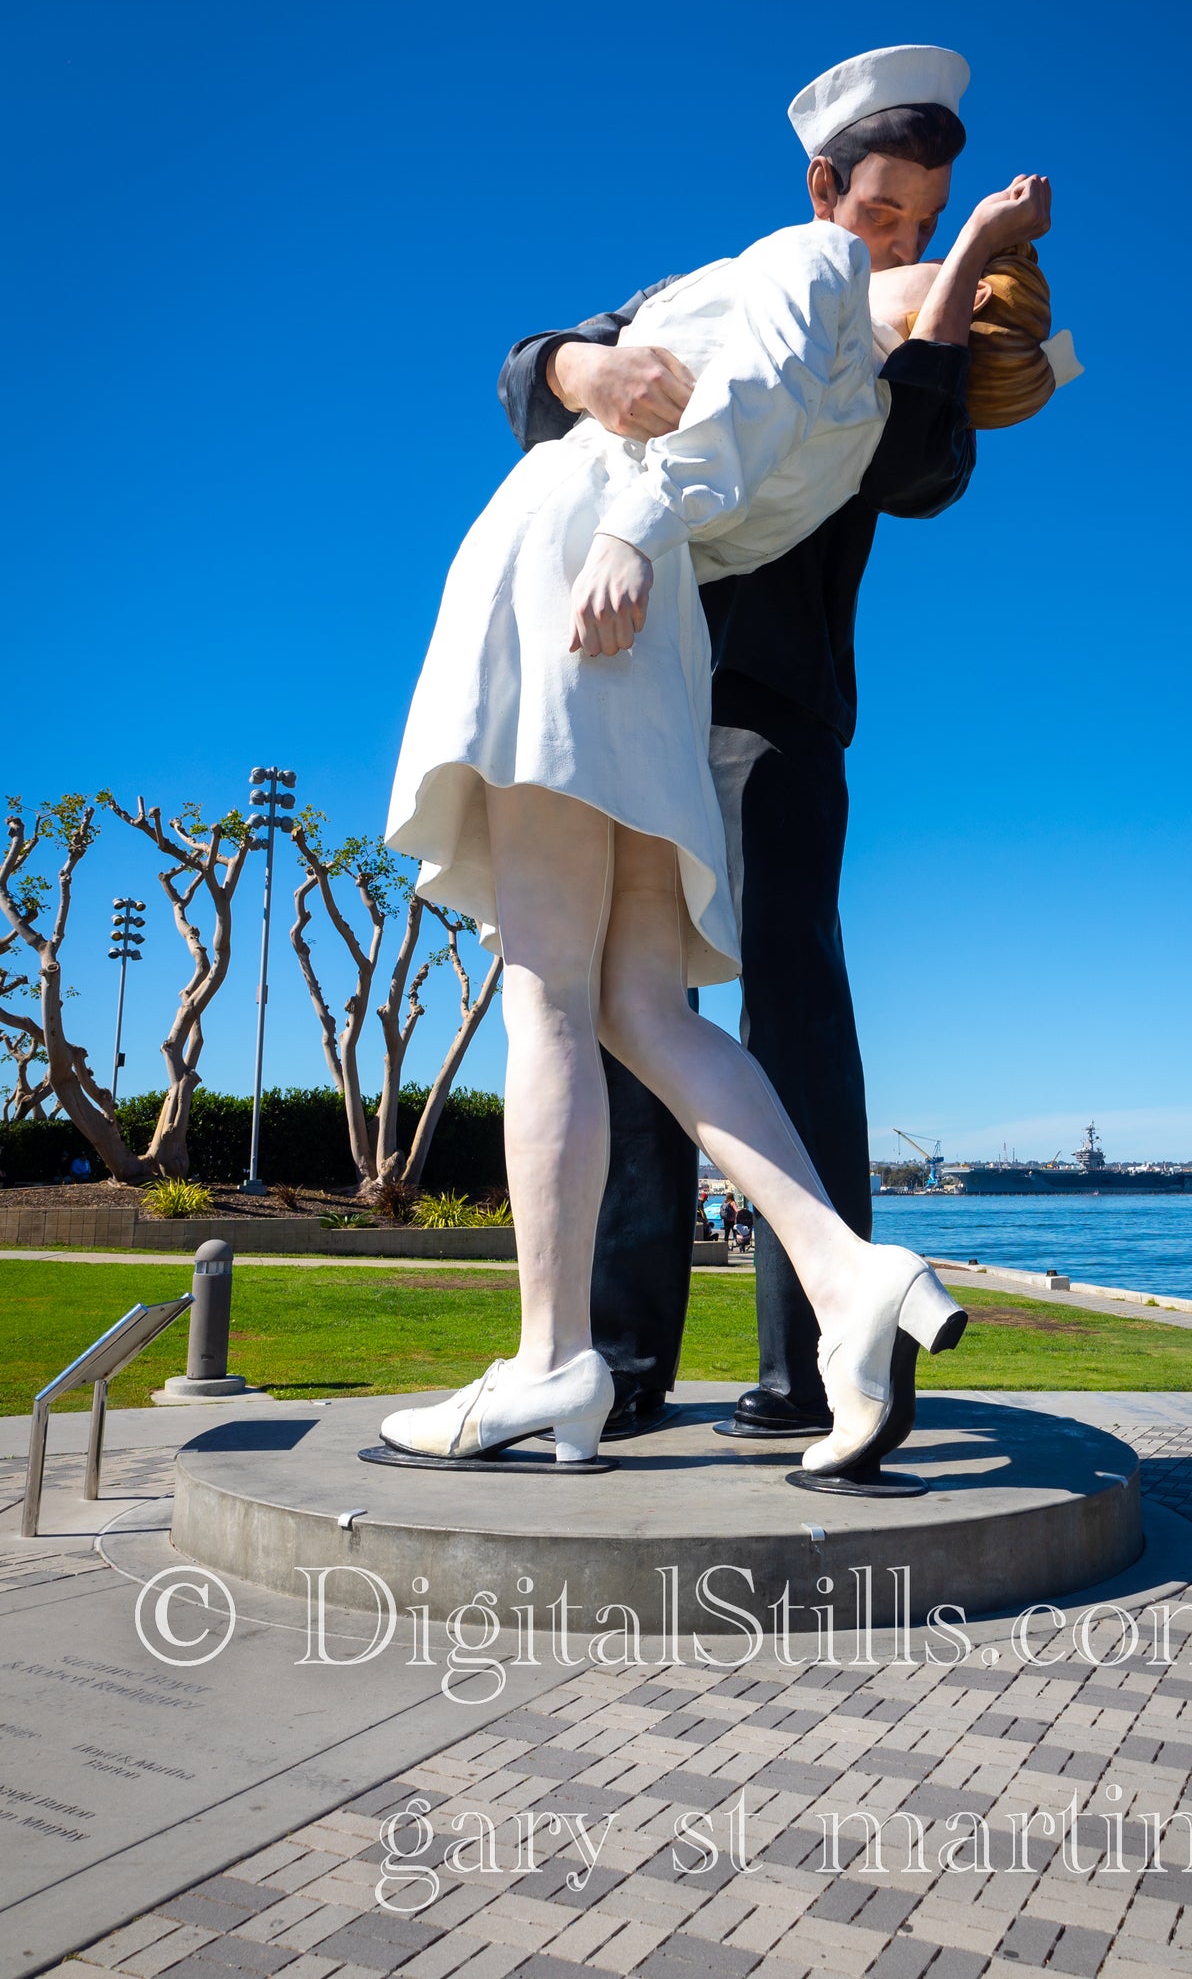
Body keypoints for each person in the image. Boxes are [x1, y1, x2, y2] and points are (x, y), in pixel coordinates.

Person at [377, 81, 1067, 1482]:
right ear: (831, 191)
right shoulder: (809, 329)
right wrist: (581, 371)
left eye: (923, 240)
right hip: (664, 648)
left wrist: (633, 511)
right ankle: (819, 1284)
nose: (897, 255)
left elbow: (863, 442)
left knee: (573, 997)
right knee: (633, 1002)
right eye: (890, 226)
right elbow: (551, 368)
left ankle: (566, 1360)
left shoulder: (845, 345)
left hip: (625, 613)